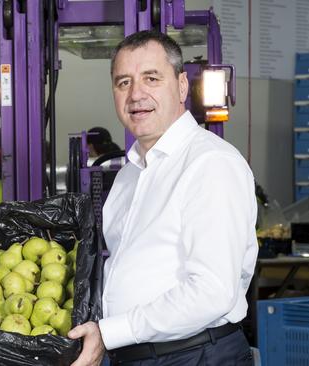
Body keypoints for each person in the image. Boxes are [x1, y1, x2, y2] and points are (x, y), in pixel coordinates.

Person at [68, 30, 258, 366]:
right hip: (137, 355)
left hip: (196, 355)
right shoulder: (129, 176)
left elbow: (211, 291)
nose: (136, 94)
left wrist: (110, 332)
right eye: (123, 82)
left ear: (182, 86)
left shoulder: (209, 163)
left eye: (151, 78)